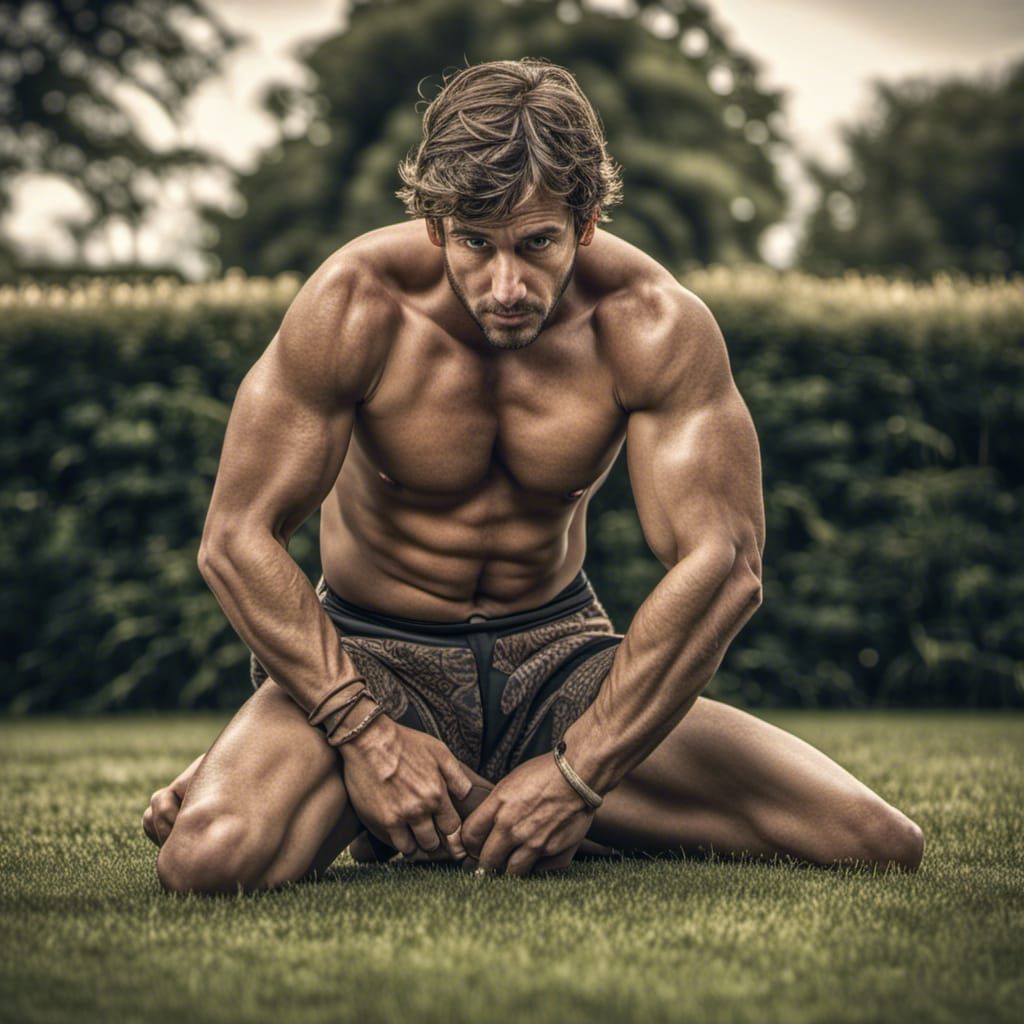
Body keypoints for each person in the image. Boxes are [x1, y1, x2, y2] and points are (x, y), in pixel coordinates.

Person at [142, 59, 924, 891]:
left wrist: (580, 773)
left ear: (585, 223)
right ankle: (362, 779)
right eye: (476, 244)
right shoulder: (356, 304)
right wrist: (359, 731)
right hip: (375, 657)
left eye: (537, 243)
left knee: (873, 840)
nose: (506, 285)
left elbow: (726, 566)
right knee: (209, 858)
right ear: (438, 224)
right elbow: (234, 538)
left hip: (560, 665)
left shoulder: (651, 323)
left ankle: (456, 810)